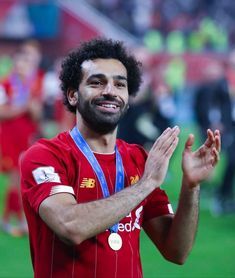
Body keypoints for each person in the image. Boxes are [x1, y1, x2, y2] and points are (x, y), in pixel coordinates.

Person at [20, 38, 221, 278]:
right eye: (96, 82)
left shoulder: (138, 159)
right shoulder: (46, 155)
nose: (110, 91)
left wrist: (191, 186)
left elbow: (176, 251)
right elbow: (70, 226)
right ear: (73, 95)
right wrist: (145, 184)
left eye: (119, 85)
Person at [0, 39, 43, 236]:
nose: (22, 65)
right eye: (20, 61)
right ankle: (10, 218)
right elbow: (2, 112)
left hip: (27, 135)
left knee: (25, 176)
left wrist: (33, 108)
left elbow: (37, 115)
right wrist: (23, 107)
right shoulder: (5, 84)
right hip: (9, 135)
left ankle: (17, 217)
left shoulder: (32, 85)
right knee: (15, 177)